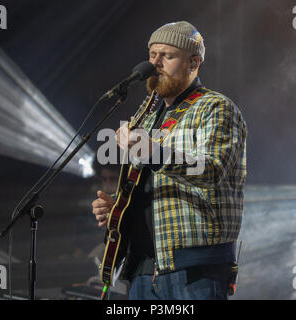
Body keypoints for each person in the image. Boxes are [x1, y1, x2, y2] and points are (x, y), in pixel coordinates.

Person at [91, 21, 247, 300]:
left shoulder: (215, 107)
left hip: (194, 267)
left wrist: (152, 152)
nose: (155, 64)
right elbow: (150, 186)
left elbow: (211, 170)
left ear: (194, 63)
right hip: (142, 266)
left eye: (168, 56)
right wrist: (118, 206)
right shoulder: (147, 116)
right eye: (152, 55)